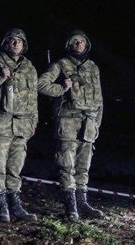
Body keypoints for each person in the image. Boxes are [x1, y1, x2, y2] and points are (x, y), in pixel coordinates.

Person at [37, 29, 103, 219]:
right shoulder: (60, 64)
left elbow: (99, 98)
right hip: (67, 121)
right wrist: (62, 88)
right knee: (67, 164)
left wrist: (97, 122)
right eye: (75, 41)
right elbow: (41, 85)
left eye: (81, 41)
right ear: (68, 45)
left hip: (89, 121)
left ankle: (82, 202)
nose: (78, 44)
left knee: (84, 165)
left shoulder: (93, 67)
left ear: (87, 44)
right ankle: (70, 205)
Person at [0, 28, 38, 222]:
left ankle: (15, 205)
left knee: (15, 168)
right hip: (1, 124)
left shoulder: (29, 67)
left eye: (20, 41)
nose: (16, 44)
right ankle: (2, 207)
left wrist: (34, 121)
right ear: (6, 43)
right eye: (12, 40)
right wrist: (0, 77)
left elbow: (33, 97)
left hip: (22, 125)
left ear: (24, 46)